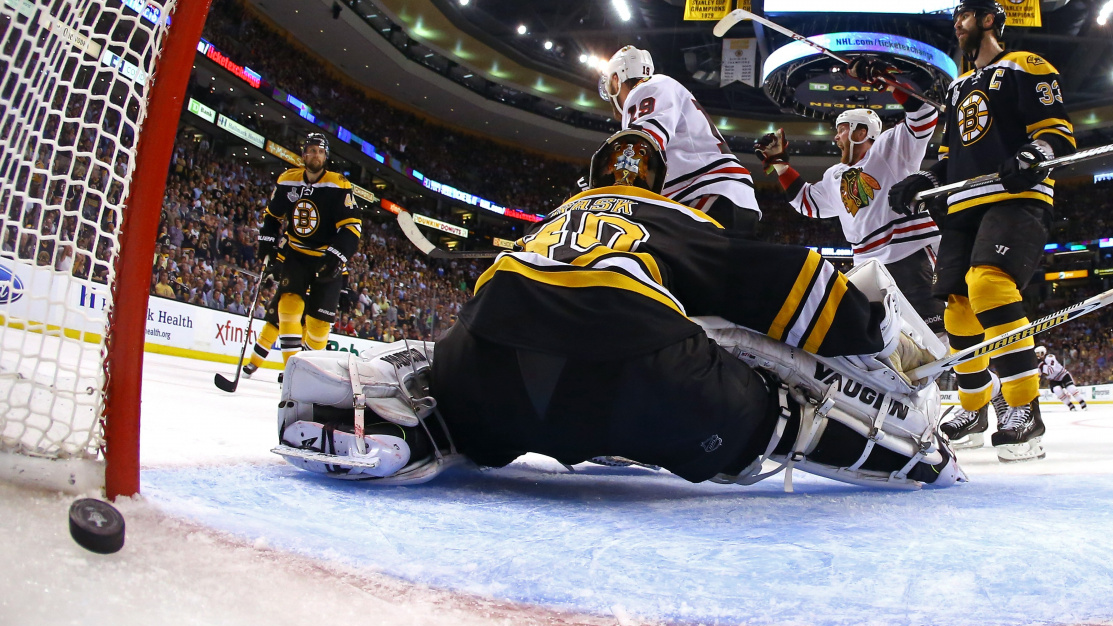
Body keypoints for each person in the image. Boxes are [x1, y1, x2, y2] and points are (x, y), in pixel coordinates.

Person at [271, 130, 962, 491]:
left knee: (452, 376)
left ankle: (425, 423)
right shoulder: (669, 215)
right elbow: (782, 283)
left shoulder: (551, 218)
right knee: (778, 406)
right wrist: (867, 326)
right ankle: (912, 457)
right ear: (661, 183)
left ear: (587, 180)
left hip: (488, 365)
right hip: (639, 379)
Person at [888, 0, 1075, 463]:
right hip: (965, 204)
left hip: (1014, 199)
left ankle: (1023, 409)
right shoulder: (957, 87)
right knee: (957, 309)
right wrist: (927, 180)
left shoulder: (1025, 65)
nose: (957, 25)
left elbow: (1056, 131)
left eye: (964, 17)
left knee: (989, 284)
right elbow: (951, 157)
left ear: (989, 20)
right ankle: (973, 411)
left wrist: (1035, 155)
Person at [755, 72, 943, 337]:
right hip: (866, 264)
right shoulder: (833, 175)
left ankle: (966, 378)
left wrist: (888, 81)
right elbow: (806, 203)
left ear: (861, 131)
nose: (836, 137)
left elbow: (924, 117)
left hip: (910, 254)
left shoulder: (890, 148)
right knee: (882, 339)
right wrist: (779, 164)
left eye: (842, 129)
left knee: (935, 334)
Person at [599, 45, 759, 236]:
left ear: (616, 80)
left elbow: (642, 143)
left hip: (704, 192)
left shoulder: (645, 87)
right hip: (719, 192)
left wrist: (599, 184)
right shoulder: (658, 88)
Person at [256, 133, 361, 366]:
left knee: (319, 324)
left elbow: (352, 227)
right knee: (288, 306)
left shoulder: (338, 184)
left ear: (326, 157)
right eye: (311, 150)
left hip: (325, 257)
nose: (315, 155)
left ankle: (311, 368)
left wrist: (336, 257)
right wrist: (267, 247)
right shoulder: (287, 180)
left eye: (320, 151)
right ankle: (291, 369)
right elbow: (272, 218)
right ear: (303, 154)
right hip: (296, 255)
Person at [1036, 346, 1088, 411]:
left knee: (1071, 388)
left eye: (1038, 353)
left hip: (1063, 375)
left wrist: (1041, 367)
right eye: (1036, 354)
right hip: (1053, 379)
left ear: (1043, 352)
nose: (1037, 355)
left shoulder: (1050, 357)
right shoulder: (1039, 364)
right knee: (1057, 390)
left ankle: (1082, 403)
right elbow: (1038, 375)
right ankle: (1071, 406)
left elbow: (1050, 371)